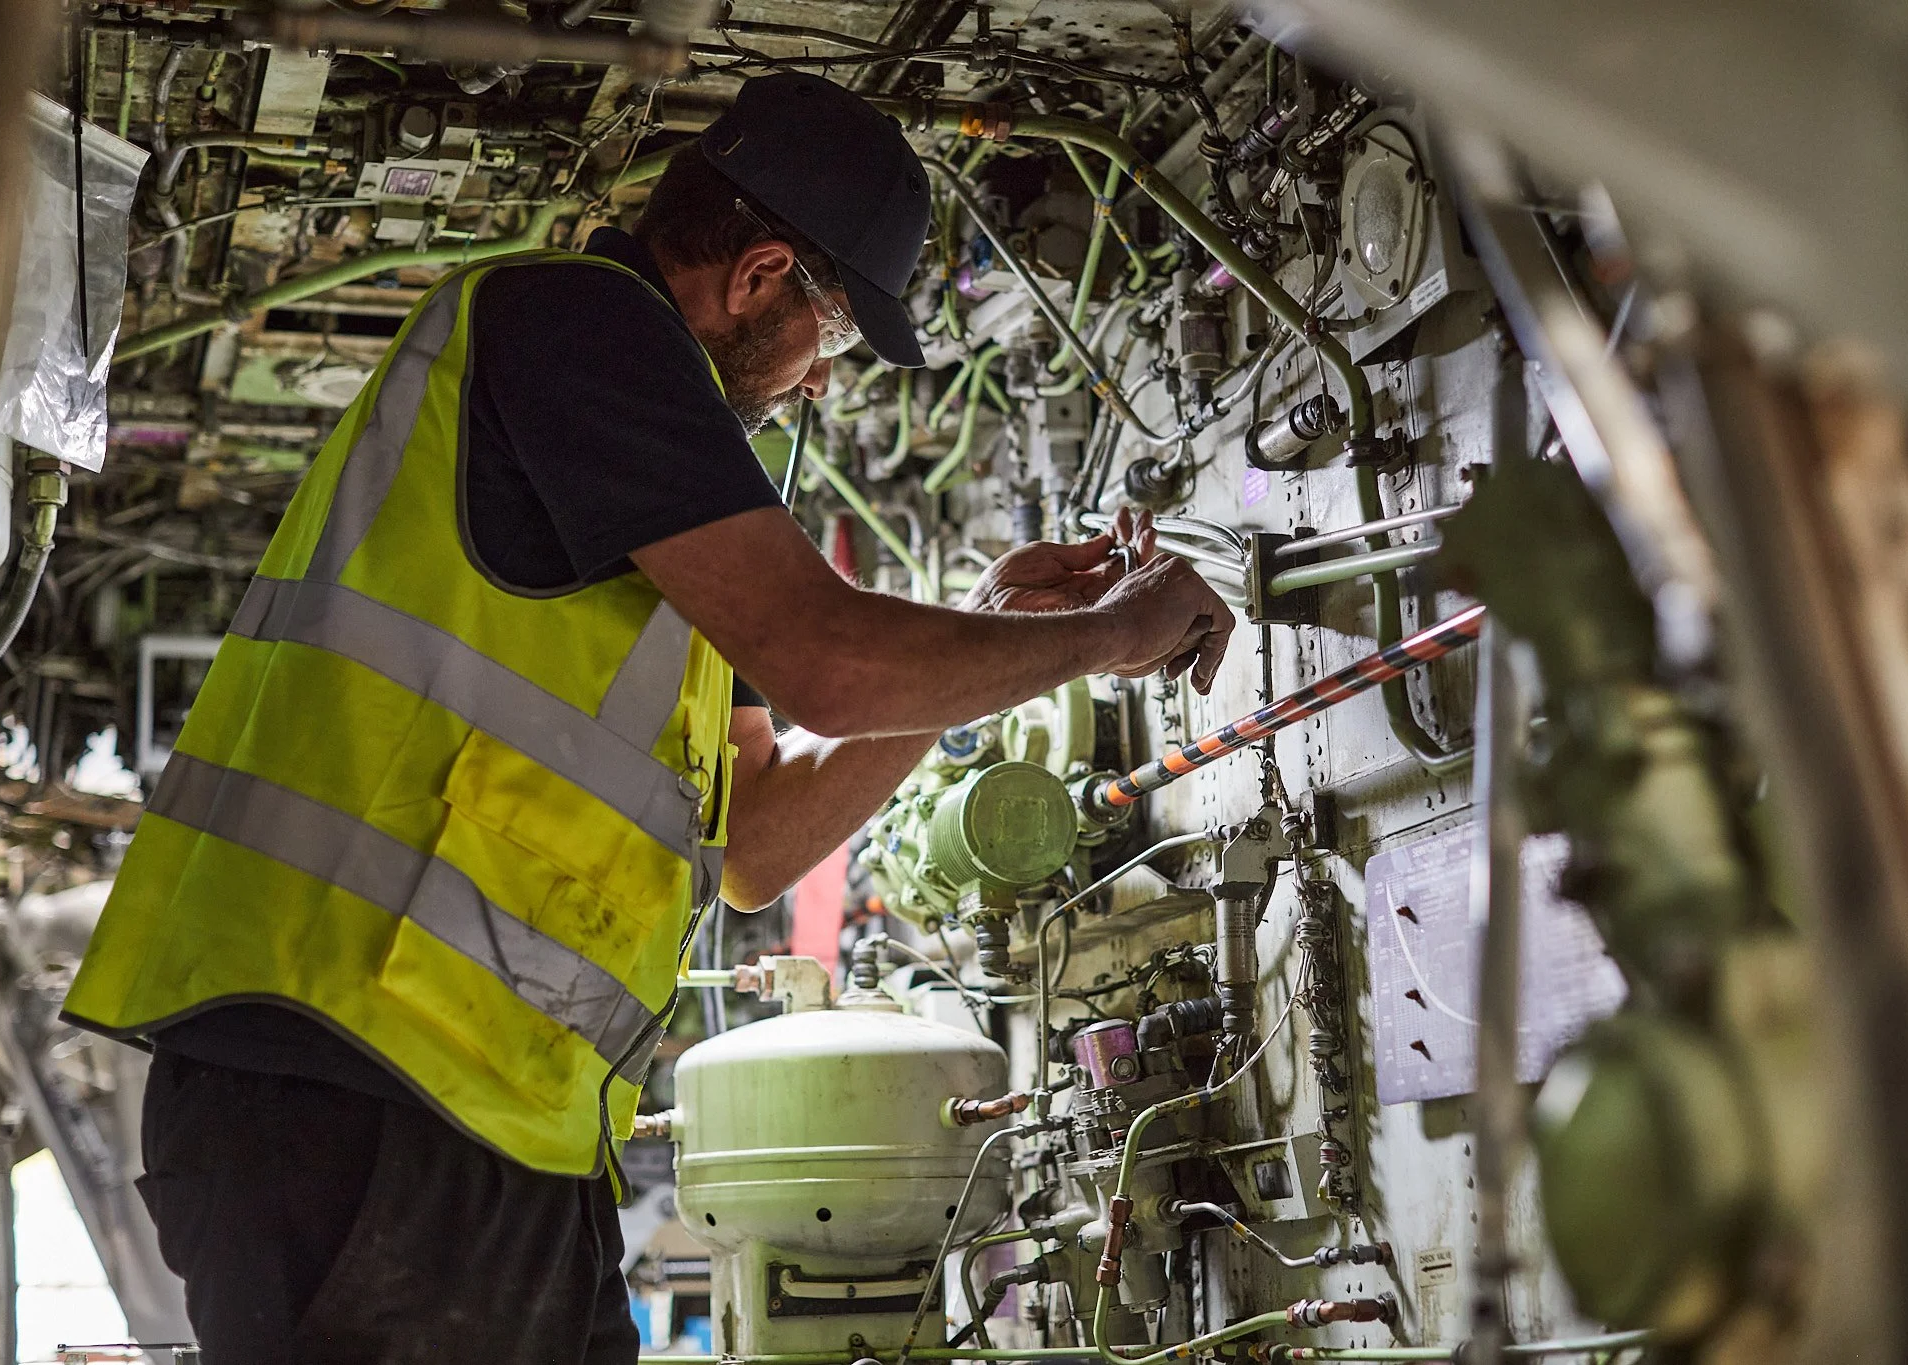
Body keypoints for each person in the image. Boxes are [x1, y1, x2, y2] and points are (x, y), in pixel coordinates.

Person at [62, 73, 1233, 1362]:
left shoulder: (650, 526)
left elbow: (759, 847)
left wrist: (1002, 617)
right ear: (761, 274)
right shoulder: (570, 324)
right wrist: (1111, 636)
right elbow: (827, 665)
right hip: (353, 1069)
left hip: (486, 1110)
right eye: (833, 336)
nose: (818, 386)